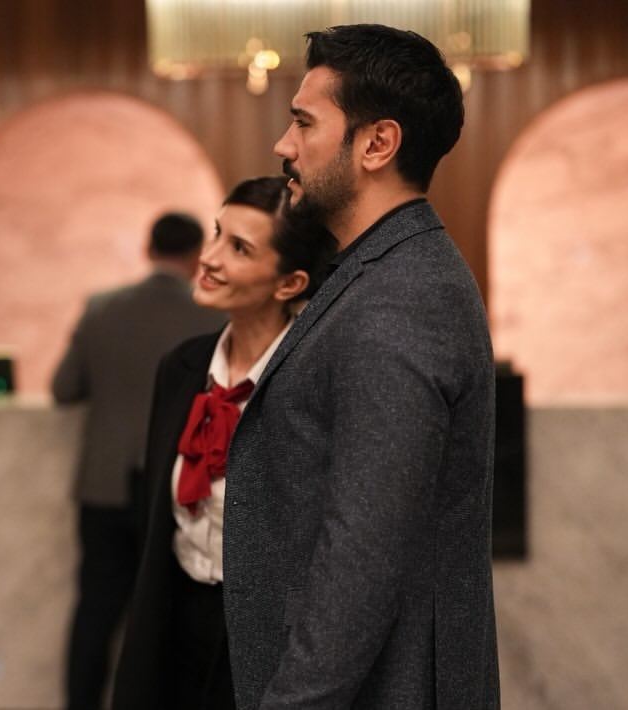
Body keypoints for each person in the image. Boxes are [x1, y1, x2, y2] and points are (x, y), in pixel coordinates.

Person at [222, 24, 501, 709]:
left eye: (303, 123)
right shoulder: (380, 272)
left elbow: (363, 553)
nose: (284, 146)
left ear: (377, 144)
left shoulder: (403, 294)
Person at [111, 176, 337, 710]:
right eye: (216, 234)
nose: (208, 259)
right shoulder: (182, 366)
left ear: (289, 283)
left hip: (275, 642)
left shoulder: (318, 381)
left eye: (239, 248)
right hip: (177, 625)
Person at [52, 212, 226, 710]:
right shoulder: (211, 316)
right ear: (196, 255)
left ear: (149, 248)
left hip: (104, 482)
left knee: (95, 613)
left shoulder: (101, 308)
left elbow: (64, 389)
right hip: (174, 487)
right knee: (162, 616)